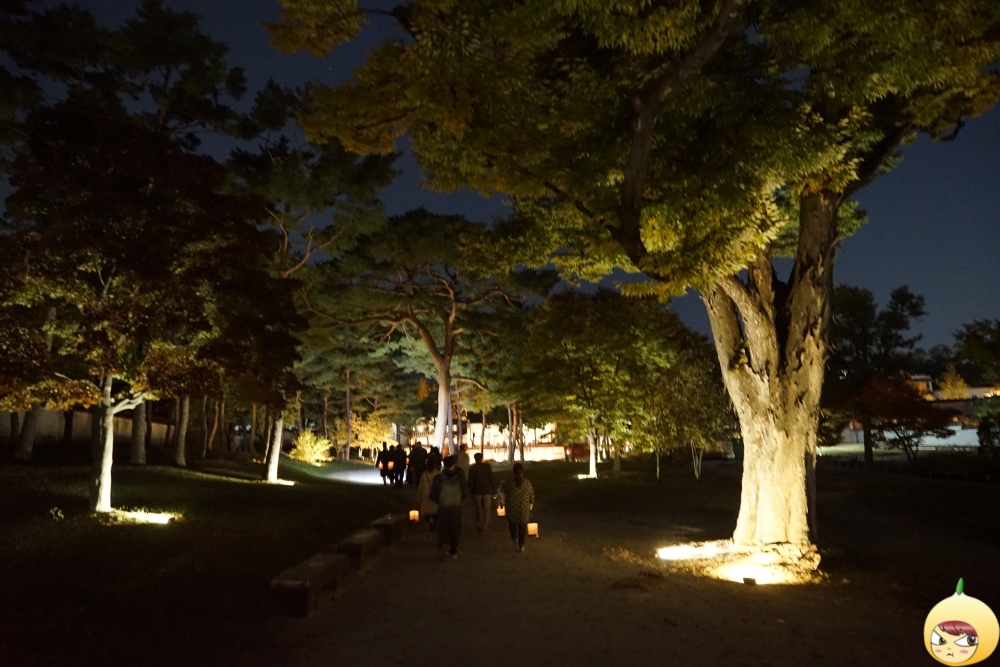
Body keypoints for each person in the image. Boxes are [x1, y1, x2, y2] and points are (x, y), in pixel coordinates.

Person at [429, 455, 468, 559]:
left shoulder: (438, 478)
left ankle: (443, 545)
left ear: (444, 465)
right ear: (454, 464)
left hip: (443, 507)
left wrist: (439, 501)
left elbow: (432, 494)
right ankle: (453, 550)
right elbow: (465, 492)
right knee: (455, 528)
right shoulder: (459, 477)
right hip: (456, 506)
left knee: (443, 527)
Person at [499, 462, 535, 552]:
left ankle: (514, 540)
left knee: (512, 524)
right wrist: (531, 503)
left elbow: (502, 490)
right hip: (524, 508)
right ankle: (521, 545)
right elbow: (531, 494)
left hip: (512, 507)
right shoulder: (527, 482)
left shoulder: (510, 482)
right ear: (522, 471)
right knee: (522, 527)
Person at [466, 452, 498, 533]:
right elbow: (491, 478)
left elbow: (471, 481)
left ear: (475, 459)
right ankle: (485, 526)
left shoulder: (473, 468)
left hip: (477, 491)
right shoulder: (487, 467)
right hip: (487, 490)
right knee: (487, 508)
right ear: (482, 458)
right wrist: (494, 490)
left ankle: (479, 524)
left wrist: (470, 491)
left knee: (478, 509)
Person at [418, 459, 441, 532]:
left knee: (427, 511)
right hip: (435, 495)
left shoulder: (424, 473)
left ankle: (430, 523)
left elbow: (421, 486)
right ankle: (435, 523)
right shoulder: (438, 473)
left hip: (426, 494)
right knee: (435, 511)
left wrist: (419, 496)